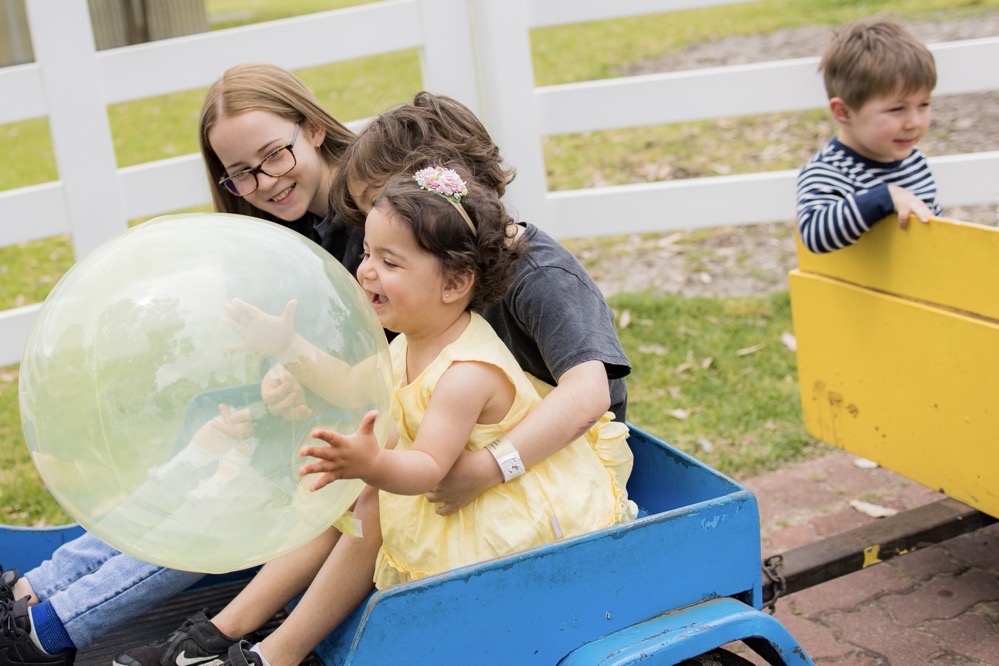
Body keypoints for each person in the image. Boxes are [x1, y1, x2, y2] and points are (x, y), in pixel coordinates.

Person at [115, 91, 633, 666]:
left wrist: (487, 468)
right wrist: (288, 350)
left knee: (373, 495)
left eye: (387, 240)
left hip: (534, 462)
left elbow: (589, 392)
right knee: (356, 488)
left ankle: (262, 650)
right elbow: (363, 381)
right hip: (464, 435)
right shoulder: (430, 314)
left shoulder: (541, 277)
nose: (367, 259)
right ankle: (224, 635)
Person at [0, 62, 361, 665]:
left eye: (275, 154)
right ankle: (33, 590)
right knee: (199, 456)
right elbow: (313, 348)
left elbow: (386, 361)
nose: (266, 182)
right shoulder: (282, 232)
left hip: (358, 440)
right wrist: (282, 378)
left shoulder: (374, 229)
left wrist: (297, 374)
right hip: (314, 415)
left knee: (220, 493)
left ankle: (46, 633)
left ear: (313, 129)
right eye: (242, 173)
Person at [216, 165, 637, 666]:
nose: (365, 270)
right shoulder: (412, 340)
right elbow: (351, 383)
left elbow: (428, 470)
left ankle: (286, 651)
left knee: (371, 501)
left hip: (501, 511)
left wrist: (369, 465)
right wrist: (288, 344)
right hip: (452, 489)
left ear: (454, 283)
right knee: (360, 499)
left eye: (389, 262)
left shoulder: (464, 374)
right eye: (368, 253)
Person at [795, 19, 943, 254]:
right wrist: (885, 197)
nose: (914, 122)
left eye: (924, 104)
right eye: (896, 109)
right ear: (844, 112)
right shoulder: (829, 171)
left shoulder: (914, 162)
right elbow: (815, 234)